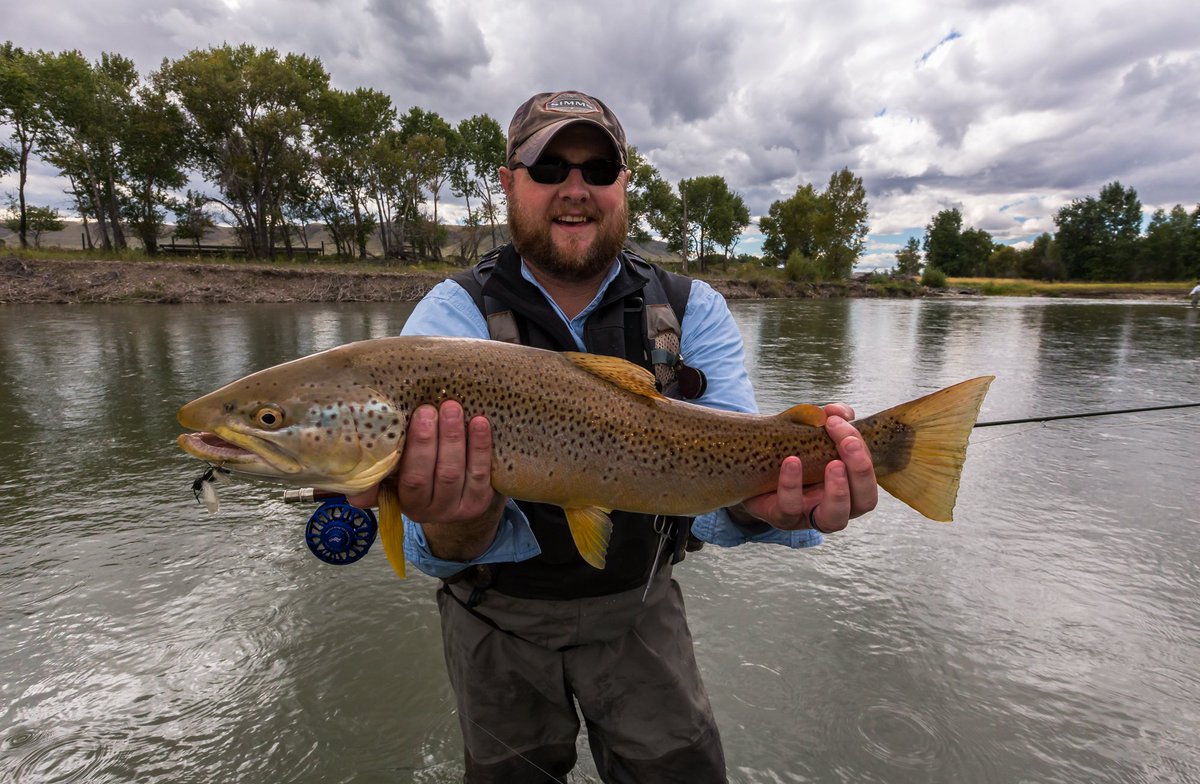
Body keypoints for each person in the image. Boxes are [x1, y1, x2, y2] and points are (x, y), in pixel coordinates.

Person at [348, 90, 878, 783]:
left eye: (598, 169)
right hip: (494, 624)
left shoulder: (692, 310)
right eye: (548, 168)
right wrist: (457, 526)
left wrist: (762, 502)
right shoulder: (449, 318)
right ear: (509, 183)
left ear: (625, 184)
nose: (575, 189)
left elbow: (727, 488)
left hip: (641, 610)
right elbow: (429, 550)